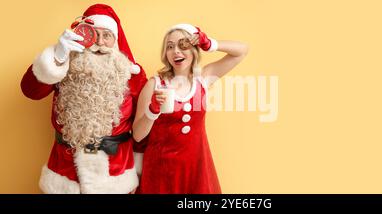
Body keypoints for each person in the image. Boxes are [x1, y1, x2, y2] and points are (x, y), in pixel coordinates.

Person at [20, 4, 147, 194]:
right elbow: (30, 90)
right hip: (65, 173)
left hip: (115, 174)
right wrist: (57, 56)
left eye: (107, 35)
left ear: (116, 40)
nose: (100, 42)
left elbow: (142, 126)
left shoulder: (132, 73)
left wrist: (138, 170)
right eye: (94, 35)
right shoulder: (64, 65)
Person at [132, 23, 248, 193]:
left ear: (194, 49)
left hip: (197, 169)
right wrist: (153, 110)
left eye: (182, 45)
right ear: (166, 54)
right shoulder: (154, 84)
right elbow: (137, 135)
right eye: (170, 47)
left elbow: (242, 51)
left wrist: (210, 44)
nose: (176, 51)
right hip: (161, 172)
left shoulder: (203, 78)